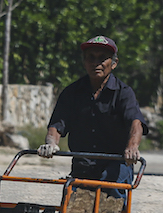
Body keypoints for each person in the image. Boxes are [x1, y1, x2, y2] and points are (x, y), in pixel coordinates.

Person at [37, 35, 148, 196]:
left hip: (116, 165)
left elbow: (135, 122)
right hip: (82, 166)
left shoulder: (123, 93)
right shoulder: (71, 92)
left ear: (114, 63)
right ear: (84, 62)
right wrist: (50, 143)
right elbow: (57, 125)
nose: (96, 63)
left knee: (109, 199)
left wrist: (132, 147)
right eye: (91, 58)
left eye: (102, 59)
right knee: (71, 206)